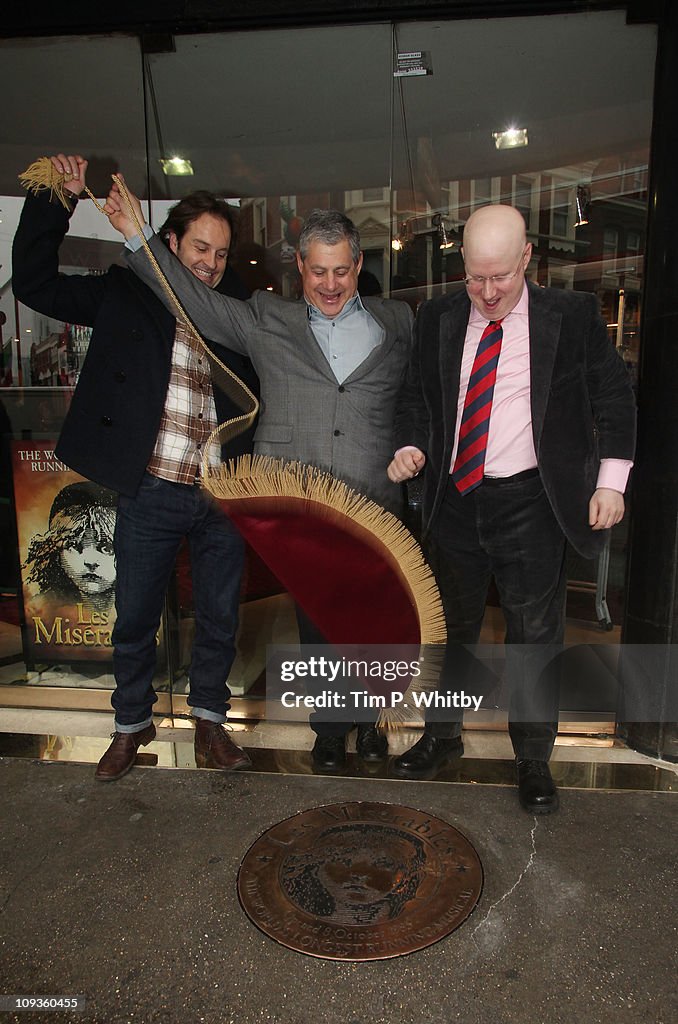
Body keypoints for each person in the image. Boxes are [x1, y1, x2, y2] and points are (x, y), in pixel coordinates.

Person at [105, 182, 414, 772]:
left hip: (374, 500)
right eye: (318, 271)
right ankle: (329, 731)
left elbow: (422, 395)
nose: (329, 284)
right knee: (317, 622)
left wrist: (414, 444)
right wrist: (139, 237)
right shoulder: (268, 318)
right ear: (300, 266)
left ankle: (375, 722)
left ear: (359, 265)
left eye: (341, 272)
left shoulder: (397, 321)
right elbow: (194, 303)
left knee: (375, 620)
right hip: (302, 505)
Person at [12, 153, 260, 781]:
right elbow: (34, 285)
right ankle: (130, 725)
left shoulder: (237, 308)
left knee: (221, 615)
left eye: (220, 253)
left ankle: (209, 722)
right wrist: (54, 201)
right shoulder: (125, 290)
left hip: (223, 493)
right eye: (199, 248)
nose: (209, 263)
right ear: (169, 242)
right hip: (150, 488)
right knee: (135, 615)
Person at [387, 204, 636, 814]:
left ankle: (532, 760)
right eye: (475, 278)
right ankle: (441, 738)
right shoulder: (440, 316)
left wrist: (612, 482)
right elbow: (417, 397)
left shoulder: (571, 317)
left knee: (534, 636)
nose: (488, 293)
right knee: (450, 634)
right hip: (456, 499)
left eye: (500, 276)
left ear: (527, 258)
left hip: (531, 499)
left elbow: (614, 400)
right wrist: (412, 445)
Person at [23, 481, 117, 614]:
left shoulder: (147, 608)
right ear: (55, 550)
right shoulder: (39, 609)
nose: (90, 561)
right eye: (74, 545)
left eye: (107, 548)